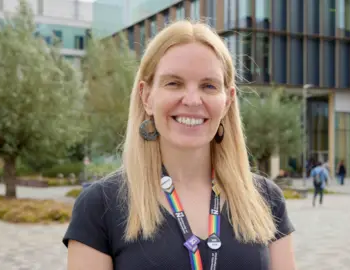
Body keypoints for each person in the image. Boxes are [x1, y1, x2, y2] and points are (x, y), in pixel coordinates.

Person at [63, 20, 296, 270]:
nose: (193, 100)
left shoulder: (266, 199)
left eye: (208, 86)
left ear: (227, 101)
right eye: (174, 83)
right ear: (147, 96)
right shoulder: (99, 206)